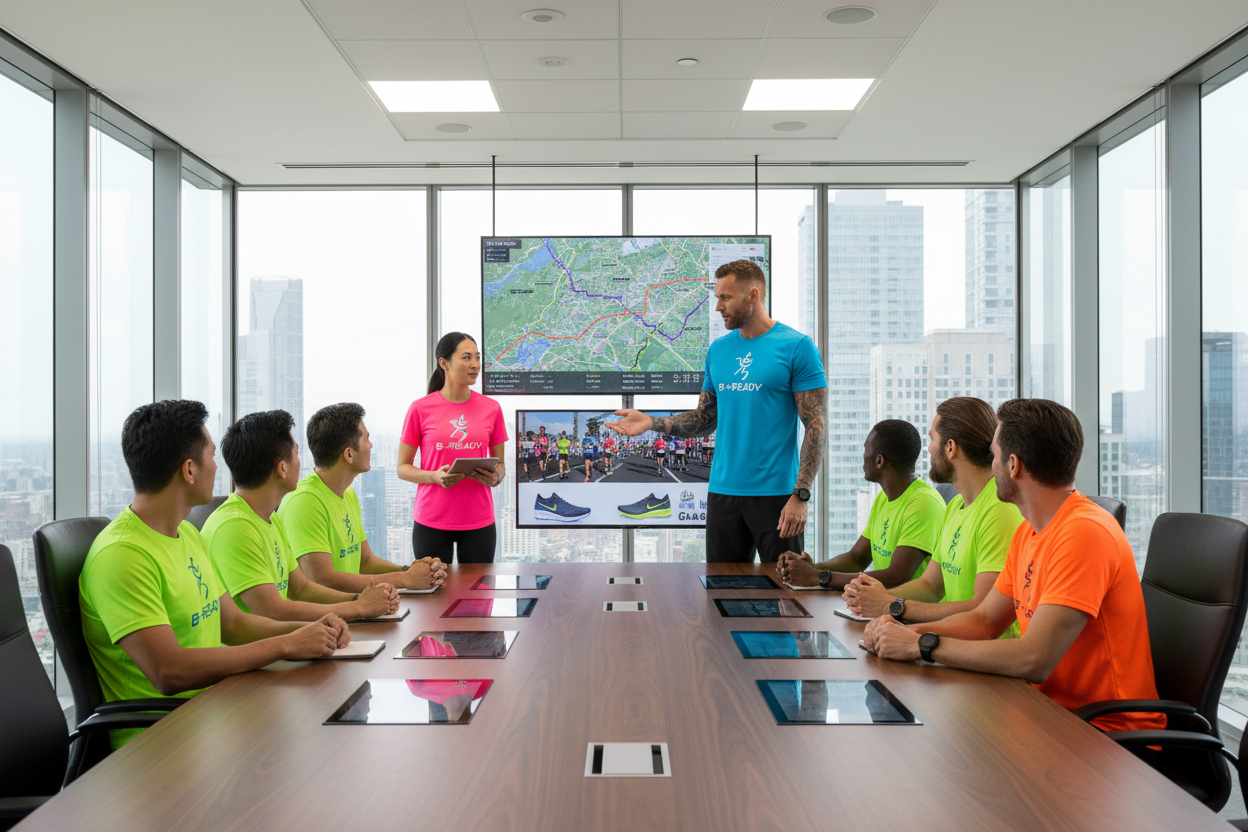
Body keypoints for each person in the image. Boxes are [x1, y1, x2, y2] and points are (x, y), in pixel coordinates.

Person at [863, 398, 1165, 733]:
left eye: (993, 456)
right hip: (1044, 711)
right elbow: (985, 620)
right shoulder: (1029, 530)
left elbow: (1034, 659)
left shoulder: (1084, 533)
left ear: (1013, 466)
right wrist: (903, 634)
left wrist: (923, 645)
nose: (990, 466)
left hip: (1107, 734)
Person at [79, 400, 351, 748]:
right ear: (189, 470)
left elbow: (233, 624)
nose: (217, 467)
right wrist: (285, 644)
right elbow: (169, 671)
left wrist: (309, 632)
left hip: (215, 712)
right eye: (210, 457)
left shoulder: (187, 533)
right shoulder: (121, 555)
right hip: (158, 744)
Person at [608, 259, 826, 562]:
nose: (718, 307)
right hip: (724, 492)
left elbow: (816, 425)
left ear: (753, 295)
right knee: (722, 594)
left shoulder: (797, 347)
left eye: (725, 297)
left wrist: (801, 495)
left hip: (777, 496)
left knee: (785, 596)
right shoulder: (719, 351)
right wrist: (650, 422)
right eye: (717, 298)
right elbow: (705, 419)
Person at [841, 398, 1024, 632]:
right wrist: (870, 597)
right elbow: (930, 586)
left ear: (950, 447)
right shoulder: (956, 504)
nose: (928, 448)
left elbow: (982, 609)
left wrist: (892, 605)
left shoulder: (1001, 510)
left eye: (931, 439)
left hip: (981, 659)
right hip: (951, 644)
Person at [202, 409, 400, 622]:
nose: (301, 463)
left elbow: (302, 589)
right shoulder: (235, 528)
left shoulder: (268, 517)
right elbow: (274, 611)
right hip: (267, 652)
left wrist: (359, 600)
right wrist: (359, 607)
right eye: (296, 454)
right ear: (282, 469)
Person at [281, 402, 446, 592]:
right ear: (349, 454)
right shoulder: (304, 502)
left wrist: (413, 570)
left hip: (352, 610)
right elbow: (322, 580)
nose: (371, 445)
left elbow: (365, 562)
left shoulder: (348, 493)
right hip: (325, 618)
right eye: (366, 439)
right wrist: (405, 579)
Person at [778, 420, 943, 589]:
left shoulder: (923, 504)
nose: (863, 456)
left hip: (911, 612)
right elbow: (857, 558)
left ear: (879, 461)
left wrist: (818, 577)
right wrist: (811, 568)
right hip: (882, 607)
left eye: (866, 449)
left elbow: (896, 576)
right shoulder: (883, 498)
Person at [398, 332, 509, 563]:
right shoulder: (420, 409)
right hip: (432, 520)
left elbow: (501, 466)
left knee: (478, 597)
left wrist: (495, 477)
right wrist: (433, 476)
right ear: (444, 363)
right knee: (434, 596)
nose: (475, 365)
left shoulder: (492, 408)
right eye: (467, 358)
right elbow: (402, 468)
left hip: (479, 520)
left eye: (477, 358)